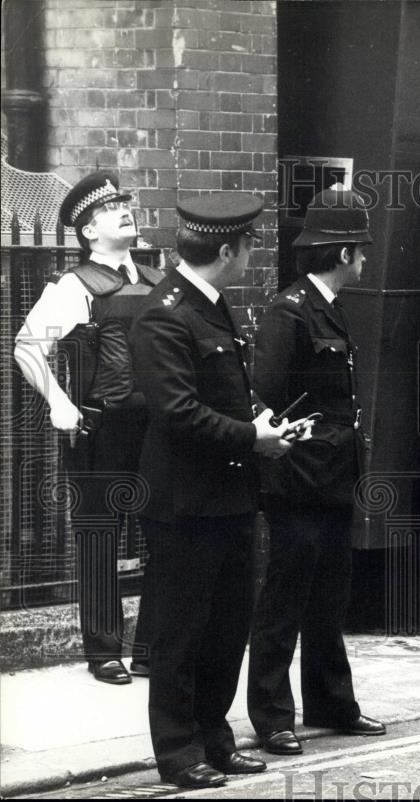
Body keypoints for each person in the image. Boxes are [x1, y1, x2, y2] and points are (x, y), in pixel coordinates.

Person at [129, 193, 292, 789]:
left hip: (228, 497)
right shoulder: (164, 314)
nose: (253, 253)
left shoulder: (212, 305)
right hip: (184, 503)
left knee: (227, 627)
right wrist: (253, 438)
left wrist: (263, 422)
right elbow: (177, 413)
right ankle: (177, 752)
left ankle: (215, 740)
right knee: (180, 632)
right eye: (249, 244)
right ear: (228, 250)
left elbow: (224, 391)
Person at [248, 187, 385, 758]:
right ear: (344, 252)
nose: (365, 259)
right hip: (298, 481)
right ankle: (272, 715)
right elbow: (265, 399)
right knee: (284, 601)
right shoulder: (289, 311)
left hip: (331, 479)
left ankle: (331, 702)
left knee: (329, 599)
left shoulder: (326, 305)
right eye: (360, 249)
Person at [13, 171, 162, 685]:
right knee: (100, 536)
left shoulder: (158, 282)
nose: (125, 211)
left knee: (164, 533)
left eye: (125, 203)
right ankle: (104, 652)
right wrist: (57, 401)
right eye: (109, 209)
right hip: (103, 428)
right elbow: (28, 347)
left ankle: (149, 648)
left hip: (159, 427)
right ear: (88, 232)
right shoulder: (75, 285)